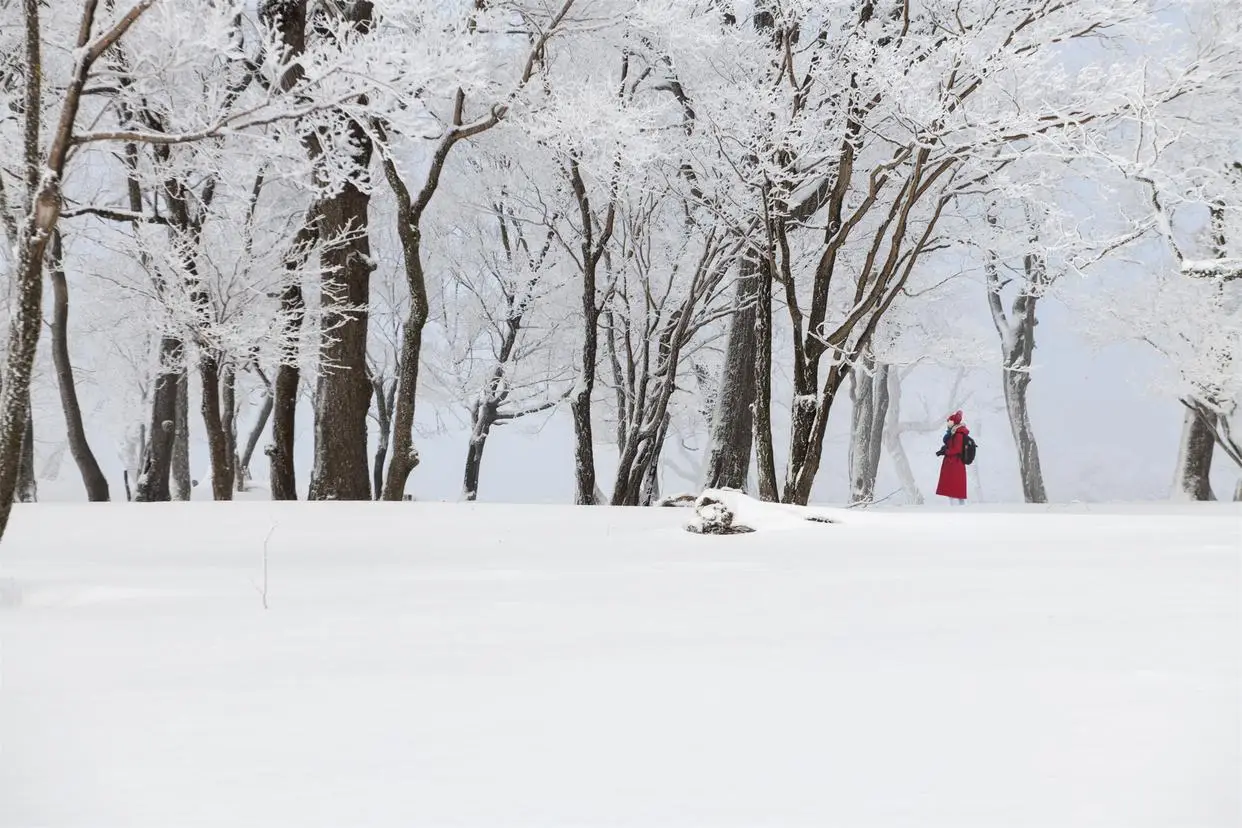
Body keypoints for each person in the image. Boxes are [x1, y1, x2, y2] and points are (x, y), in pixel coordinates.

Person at [935, 410, 969, 505]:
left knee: (954, 489)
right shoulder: (953, 433)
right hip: (952, 463)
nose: (948, 423)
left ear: (954, 422)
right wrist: (944, 449)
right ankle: (956, 507)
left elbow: (957, 449)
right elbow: (952, 445)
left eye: (949, 421)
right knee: (953, 490)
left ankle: (956, 509)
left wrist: (946, 451)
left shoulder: (958, 434)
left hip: (955, 464)